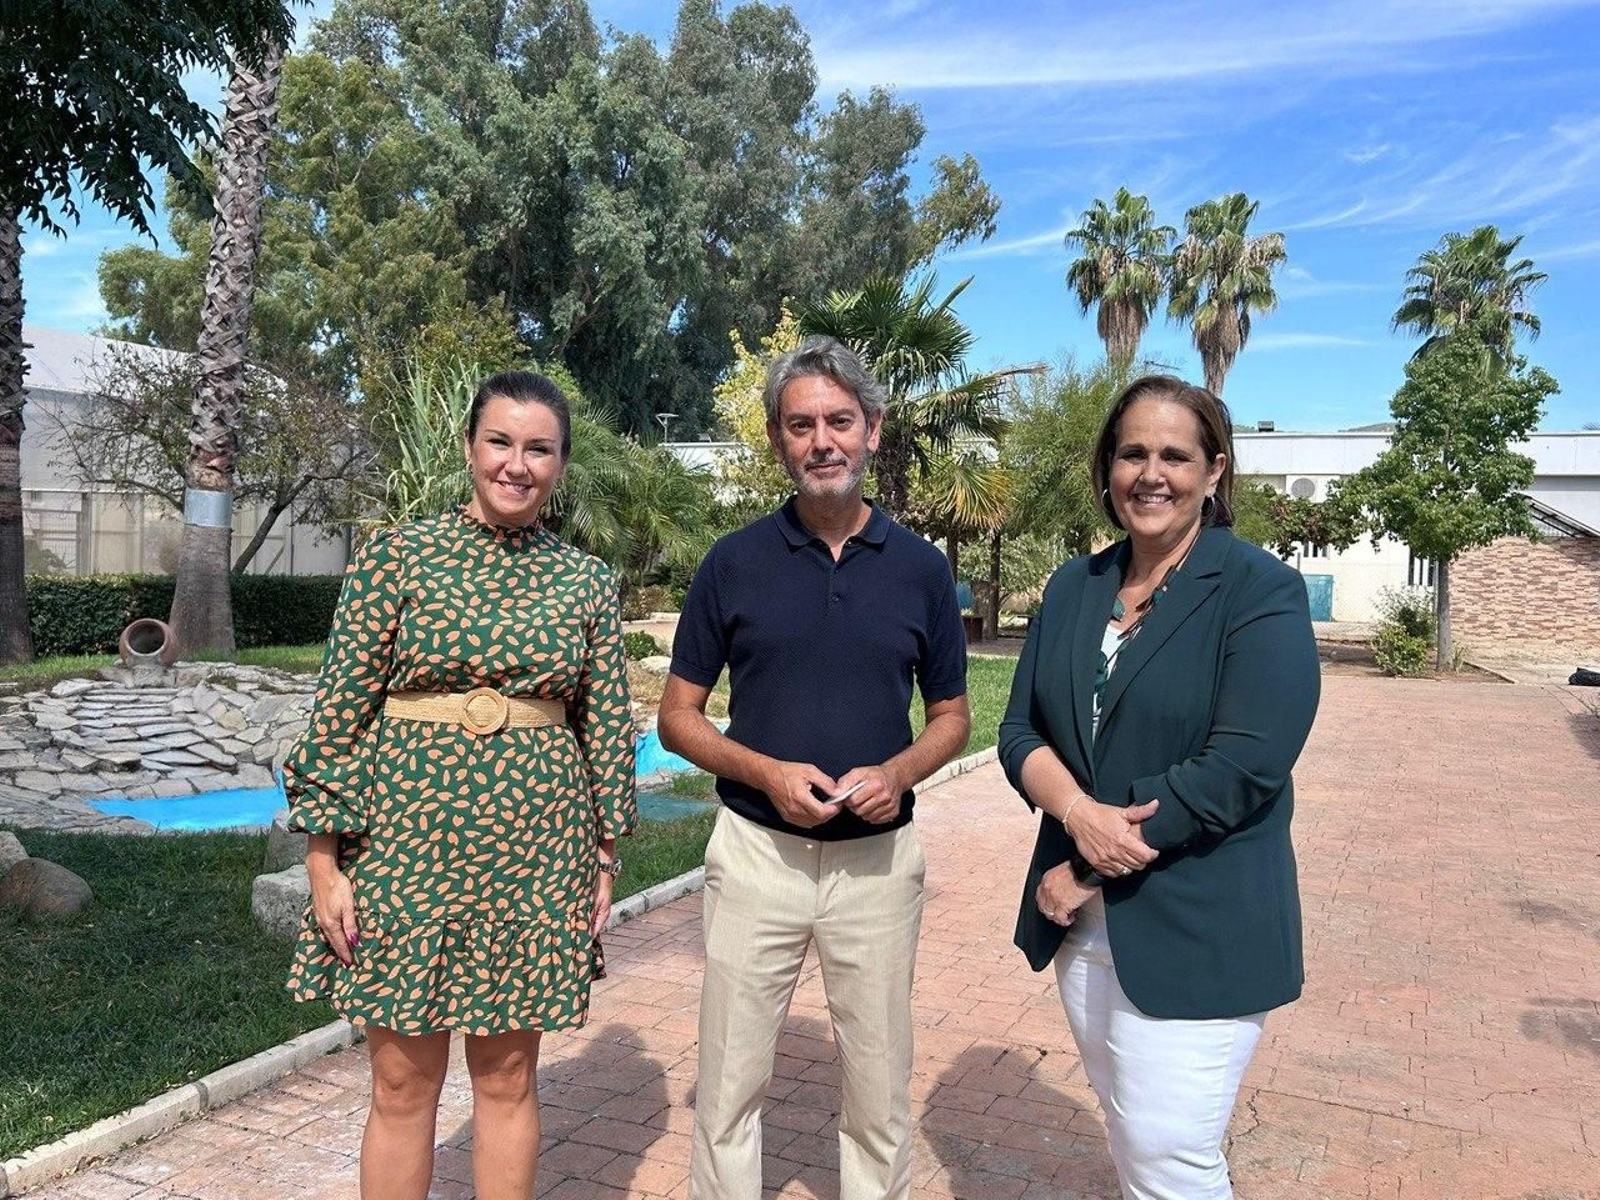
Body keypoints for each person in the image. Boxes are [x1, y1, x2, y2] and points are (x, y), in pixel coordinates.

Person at [282, 370, 636, 1200]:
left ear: (561, 463)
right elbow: (337, 713)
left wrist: (603, 856)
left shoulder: (585, 581)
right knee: (403, 1083)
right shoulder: (396, 558)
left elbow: (607, 725)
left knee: (508, 1079)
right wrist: (323, 861)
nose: (517, 465)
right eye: (500, 442)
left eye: (539, 449)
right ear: (471, 449)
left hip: (536, 852)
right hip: (404, 846)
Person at [659, 335, 971, 1199]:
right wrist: (764, 772)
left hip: (877, 866)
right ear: (776, 440)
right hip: (758, 857)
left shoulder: (921, 570)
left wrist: (900, 773)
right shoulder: (732, 563)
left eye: (840, 421)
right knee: (726, 1089)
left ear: (872, 429)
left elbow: (953, 716)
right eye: (802, 425)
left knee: (877, 1095)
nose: (822, 441)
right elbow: (676, 717)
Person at [997, 374, 1321, 1200]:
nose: (1152, 473)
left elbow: (1240, 768)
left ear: (1214, 472)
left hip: (1197, 922)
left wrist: (1088, 864)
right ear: (1107, 467)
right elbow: (1020, 733)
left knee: (1169, 1160)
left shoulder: (1258, 590)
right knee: (1134, 1138)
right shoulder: (1076, 587)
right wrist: (1073, 811)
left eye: (1175, 455)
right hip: (1084, 934)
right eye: (1132, 452)